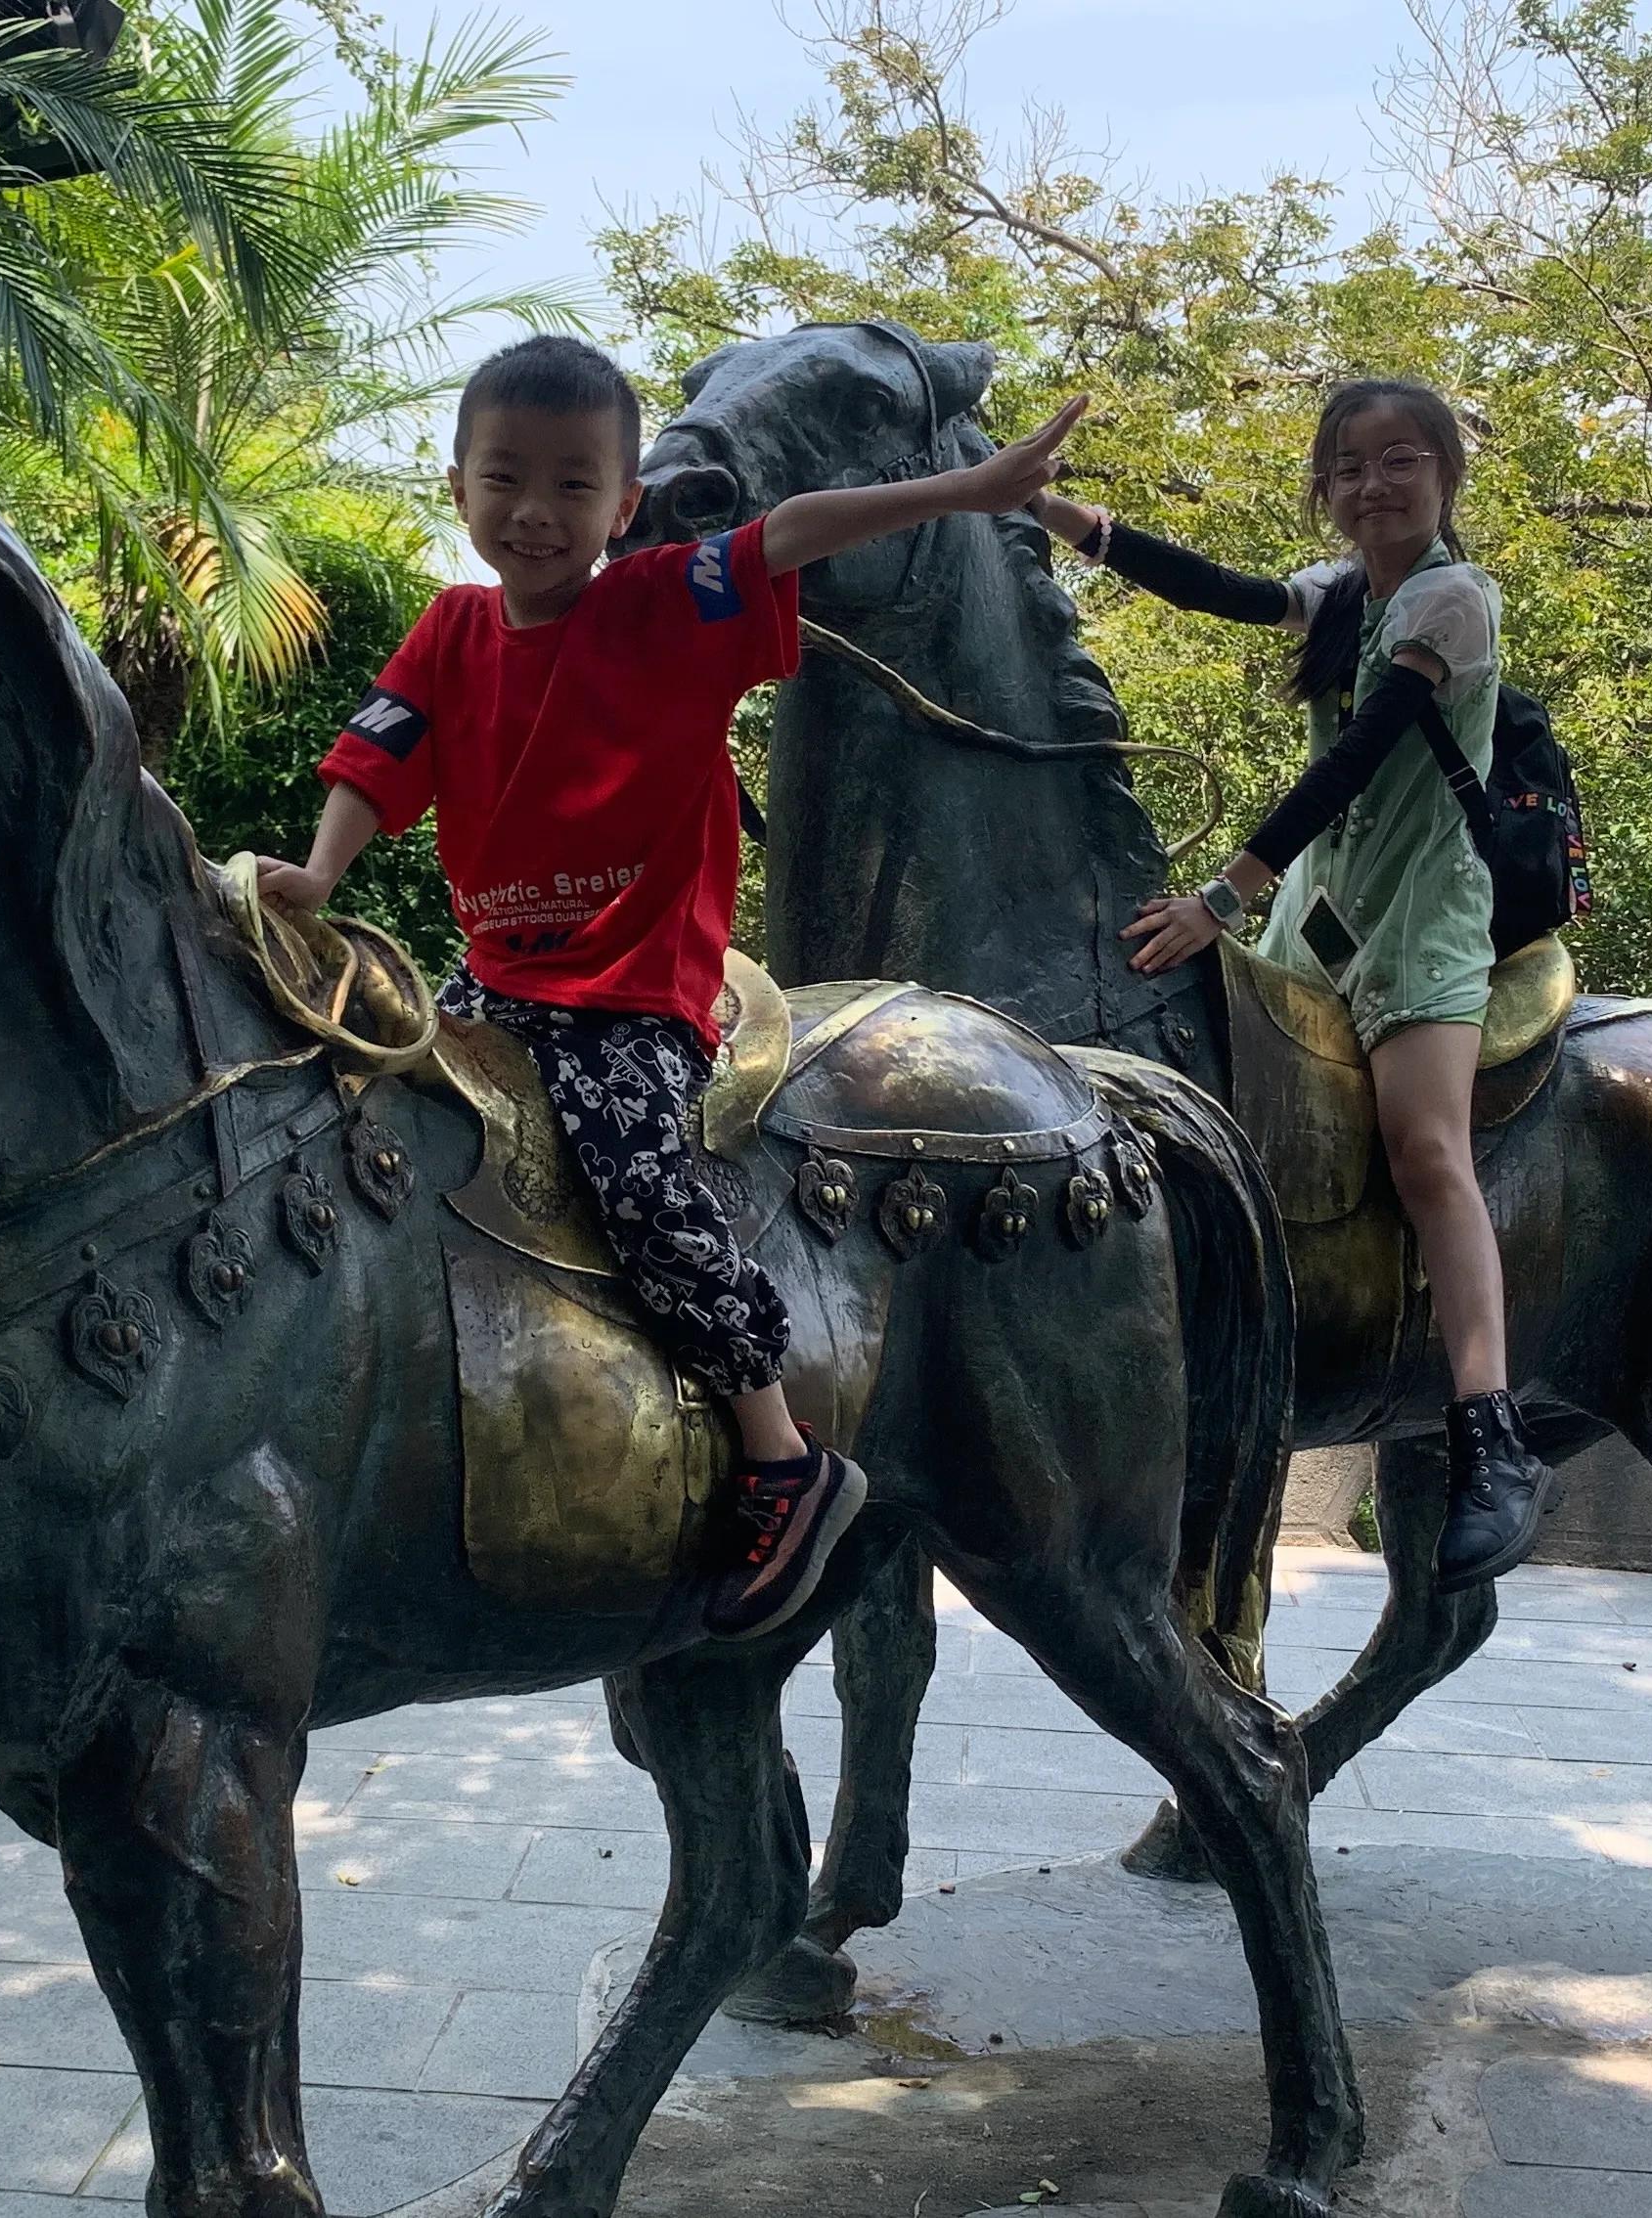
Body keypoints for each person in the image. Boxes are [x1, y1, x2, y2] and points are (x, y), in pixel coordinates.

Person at [260, 333, 1085, 1641]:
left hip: (629, 994)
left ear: (624, 506)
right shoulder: (451, 629)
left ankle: (779, 1453)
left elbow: (791, 532)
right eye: (506, 478)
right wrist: (313, 878)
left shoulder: (660, 604)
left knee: (638, 1180)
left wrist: (956, 494)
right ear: (458, 484)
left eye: (574, 486)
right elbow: (382, 755)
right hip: (491, 985)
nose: (534, 512)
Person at [1029, 377, 1553, 1589]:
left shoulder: (1452, 599)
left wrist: (1225, 894)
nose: (1376, 484)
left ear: (1445, 476)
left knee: (1427, 1152)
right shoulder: (1341, 596)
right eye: (1352, 466)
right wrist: (1043, 510)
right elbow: (1216, 589)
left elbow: (1365, 757)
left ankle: (1490, 1428)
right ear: (1326, 486)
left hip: (1422, 911)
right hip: (1325, 907)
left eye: (1402, 460)